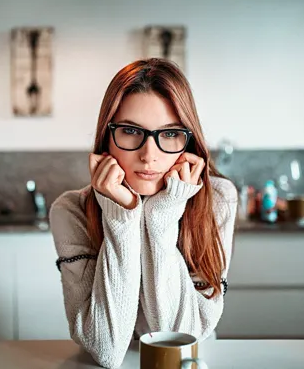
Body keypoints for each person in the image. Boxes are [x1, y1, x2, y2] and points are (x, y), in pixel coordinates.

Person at [49, 58, 237, 368]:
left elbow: (182, 337)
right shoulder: (71, 211)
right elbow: (106, 350)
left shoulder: (218, 199)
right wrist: (121, 216)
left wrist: (162, 217)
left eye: (170, 134)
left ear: (189, 140)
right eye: (130, 131)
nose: (149, 155)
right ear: (107, 137)